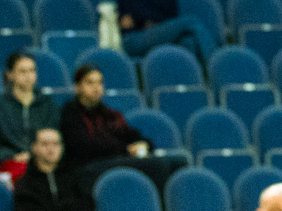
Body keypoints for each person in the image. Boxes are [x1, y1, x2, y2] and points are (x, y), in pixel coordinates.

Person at [58, 64, 187, 196]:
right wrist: (126, 149)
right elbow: (86, 146)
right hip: (89, 166)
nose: (96, 88)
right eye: (90, 83)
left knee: (178, 164)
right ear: (78, 87)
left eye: (99, 82)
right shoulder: (70, 113)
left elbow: (132, 135)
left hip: (116, 160)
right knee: (157, 166)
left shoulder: (109, 114)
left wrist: (144, 144)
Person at [0, 51, 61, 183]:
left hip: (44, 163)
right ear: (10, 75)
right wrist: (13, 156)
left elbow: (56, 137)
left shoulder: (48, 105)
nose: (28, 76)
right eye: (22, 71)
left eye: (32, 70)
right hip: (10, 165)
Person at [11, 127, 95, 211]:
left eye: (56, 144)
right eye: (45, 144)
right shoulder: (24, 183)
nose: (51, 149)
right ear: (34, 147)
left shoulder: (76, 178)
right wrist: (65, 209)